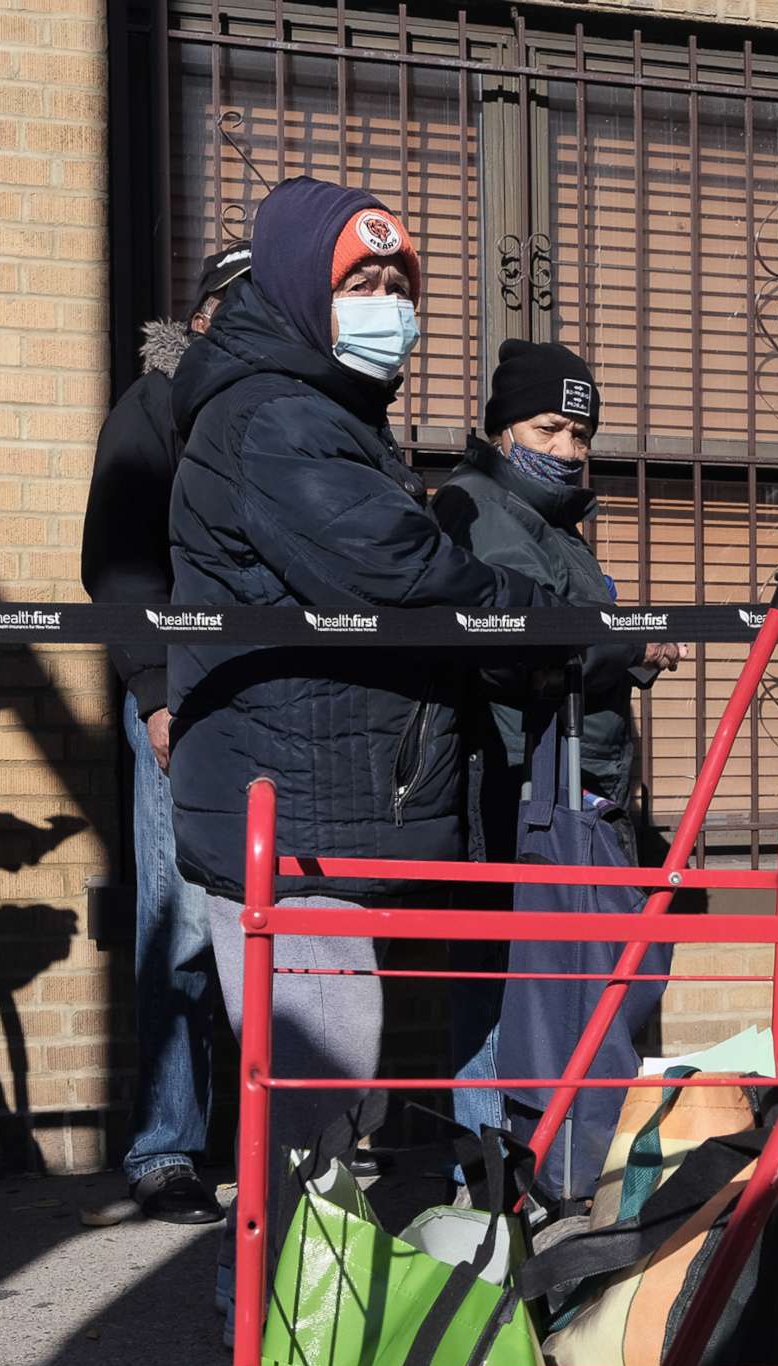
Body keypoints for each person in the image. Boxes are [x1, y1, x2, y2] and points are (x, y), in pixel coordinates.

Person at [166, 175, 549, 1178]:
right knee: (319, 1102)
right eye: (361, 281)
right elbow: (397, 569)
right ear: (298, 289)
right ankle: (294, 1321)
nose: (389, 304)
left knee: (321, 1102)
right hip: (297, 811)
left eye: (396, 280)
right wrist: (529, 608)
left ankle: (279, 1303)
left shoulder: (324, 409)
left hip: (315, 796)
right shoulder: (281, 419)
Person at [431, 339, 679, 1144]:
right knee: (504, 977)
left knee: (551, 976)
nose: (567, 451)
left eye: (580, 436)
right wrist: (628, 646)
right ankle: (489, 1169)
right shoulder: (476, 507)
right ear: (502, 428)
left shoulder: (552, 521)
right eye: (547, 430)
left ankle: (534, 1159)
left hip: (573, 778)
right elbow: (517, 645)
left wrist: (620, 647)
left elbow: (573, 628)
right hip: (511, 779)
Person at [77, 244, 252, 1228]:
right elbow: (122, 564)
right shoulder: (157, 406)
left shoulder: (283, 417)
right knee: (181, 925)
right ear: (205, 317)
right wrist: (152, 693)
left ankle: (285, 1142)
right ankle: (169, 1150)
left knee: (289, 928)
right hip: (186, 704)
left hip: (280, 704)